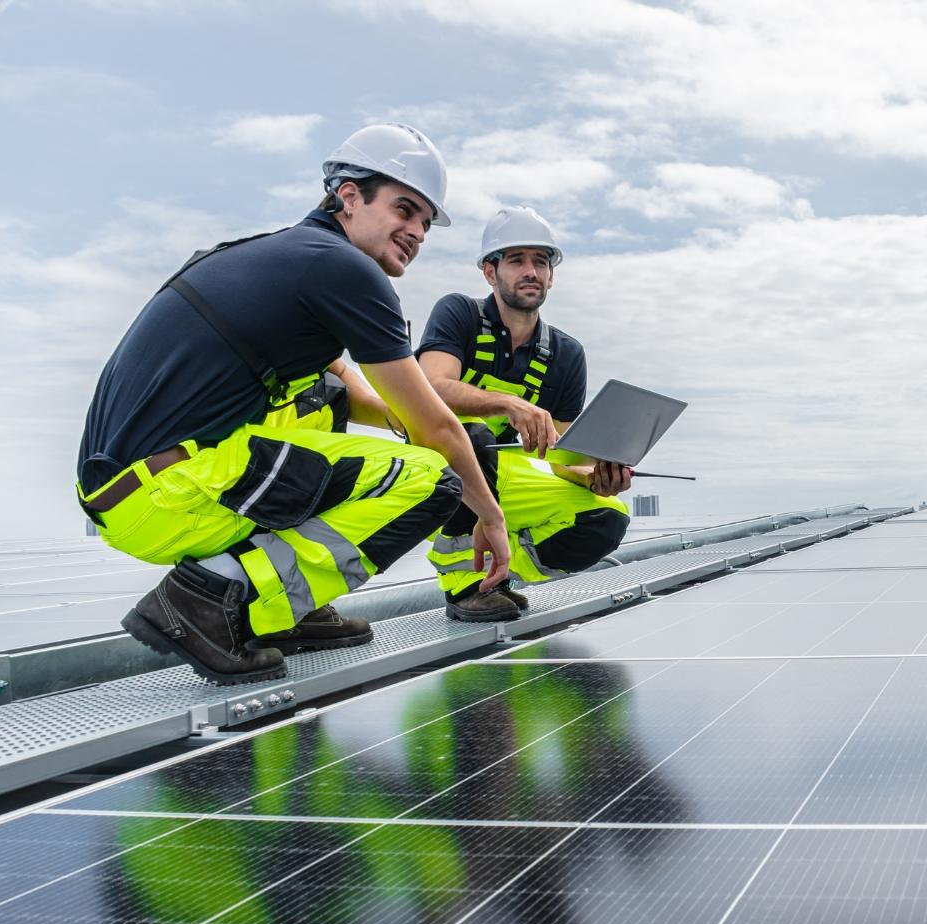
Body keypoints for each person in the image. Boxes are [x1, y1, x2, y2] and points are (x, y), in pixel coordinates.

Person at [75, 123, 510, 684]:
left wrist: (403, 413)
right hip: (174, 490)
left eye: (426, 222)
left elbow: (341, 384)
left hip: (124, 491)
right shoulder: (344, 269)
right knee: (434, 478)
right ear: (349, 195)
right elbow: (438, 434)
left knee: (324, 397)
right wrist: (489, 515)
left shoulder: (269, 255)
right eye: (405, 210)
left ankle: (281, 612)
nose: (417, 232)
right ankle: (212, 599)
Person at [415, 206, 633, 621]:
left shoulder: (567, 355)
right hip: (435, 474)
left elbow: (564, 458)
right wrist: (509, 403)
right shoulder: (459, 314)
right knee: (473, 438)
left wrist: (598, 476)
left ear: (551, 275)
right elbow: (430, 388)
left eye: (541, 261)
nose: (531, 271)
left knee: (606, 518)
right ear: (489, 272)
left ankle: (498, 576)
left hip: (503, 477)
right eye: (516, 260)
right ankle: (463, 586)